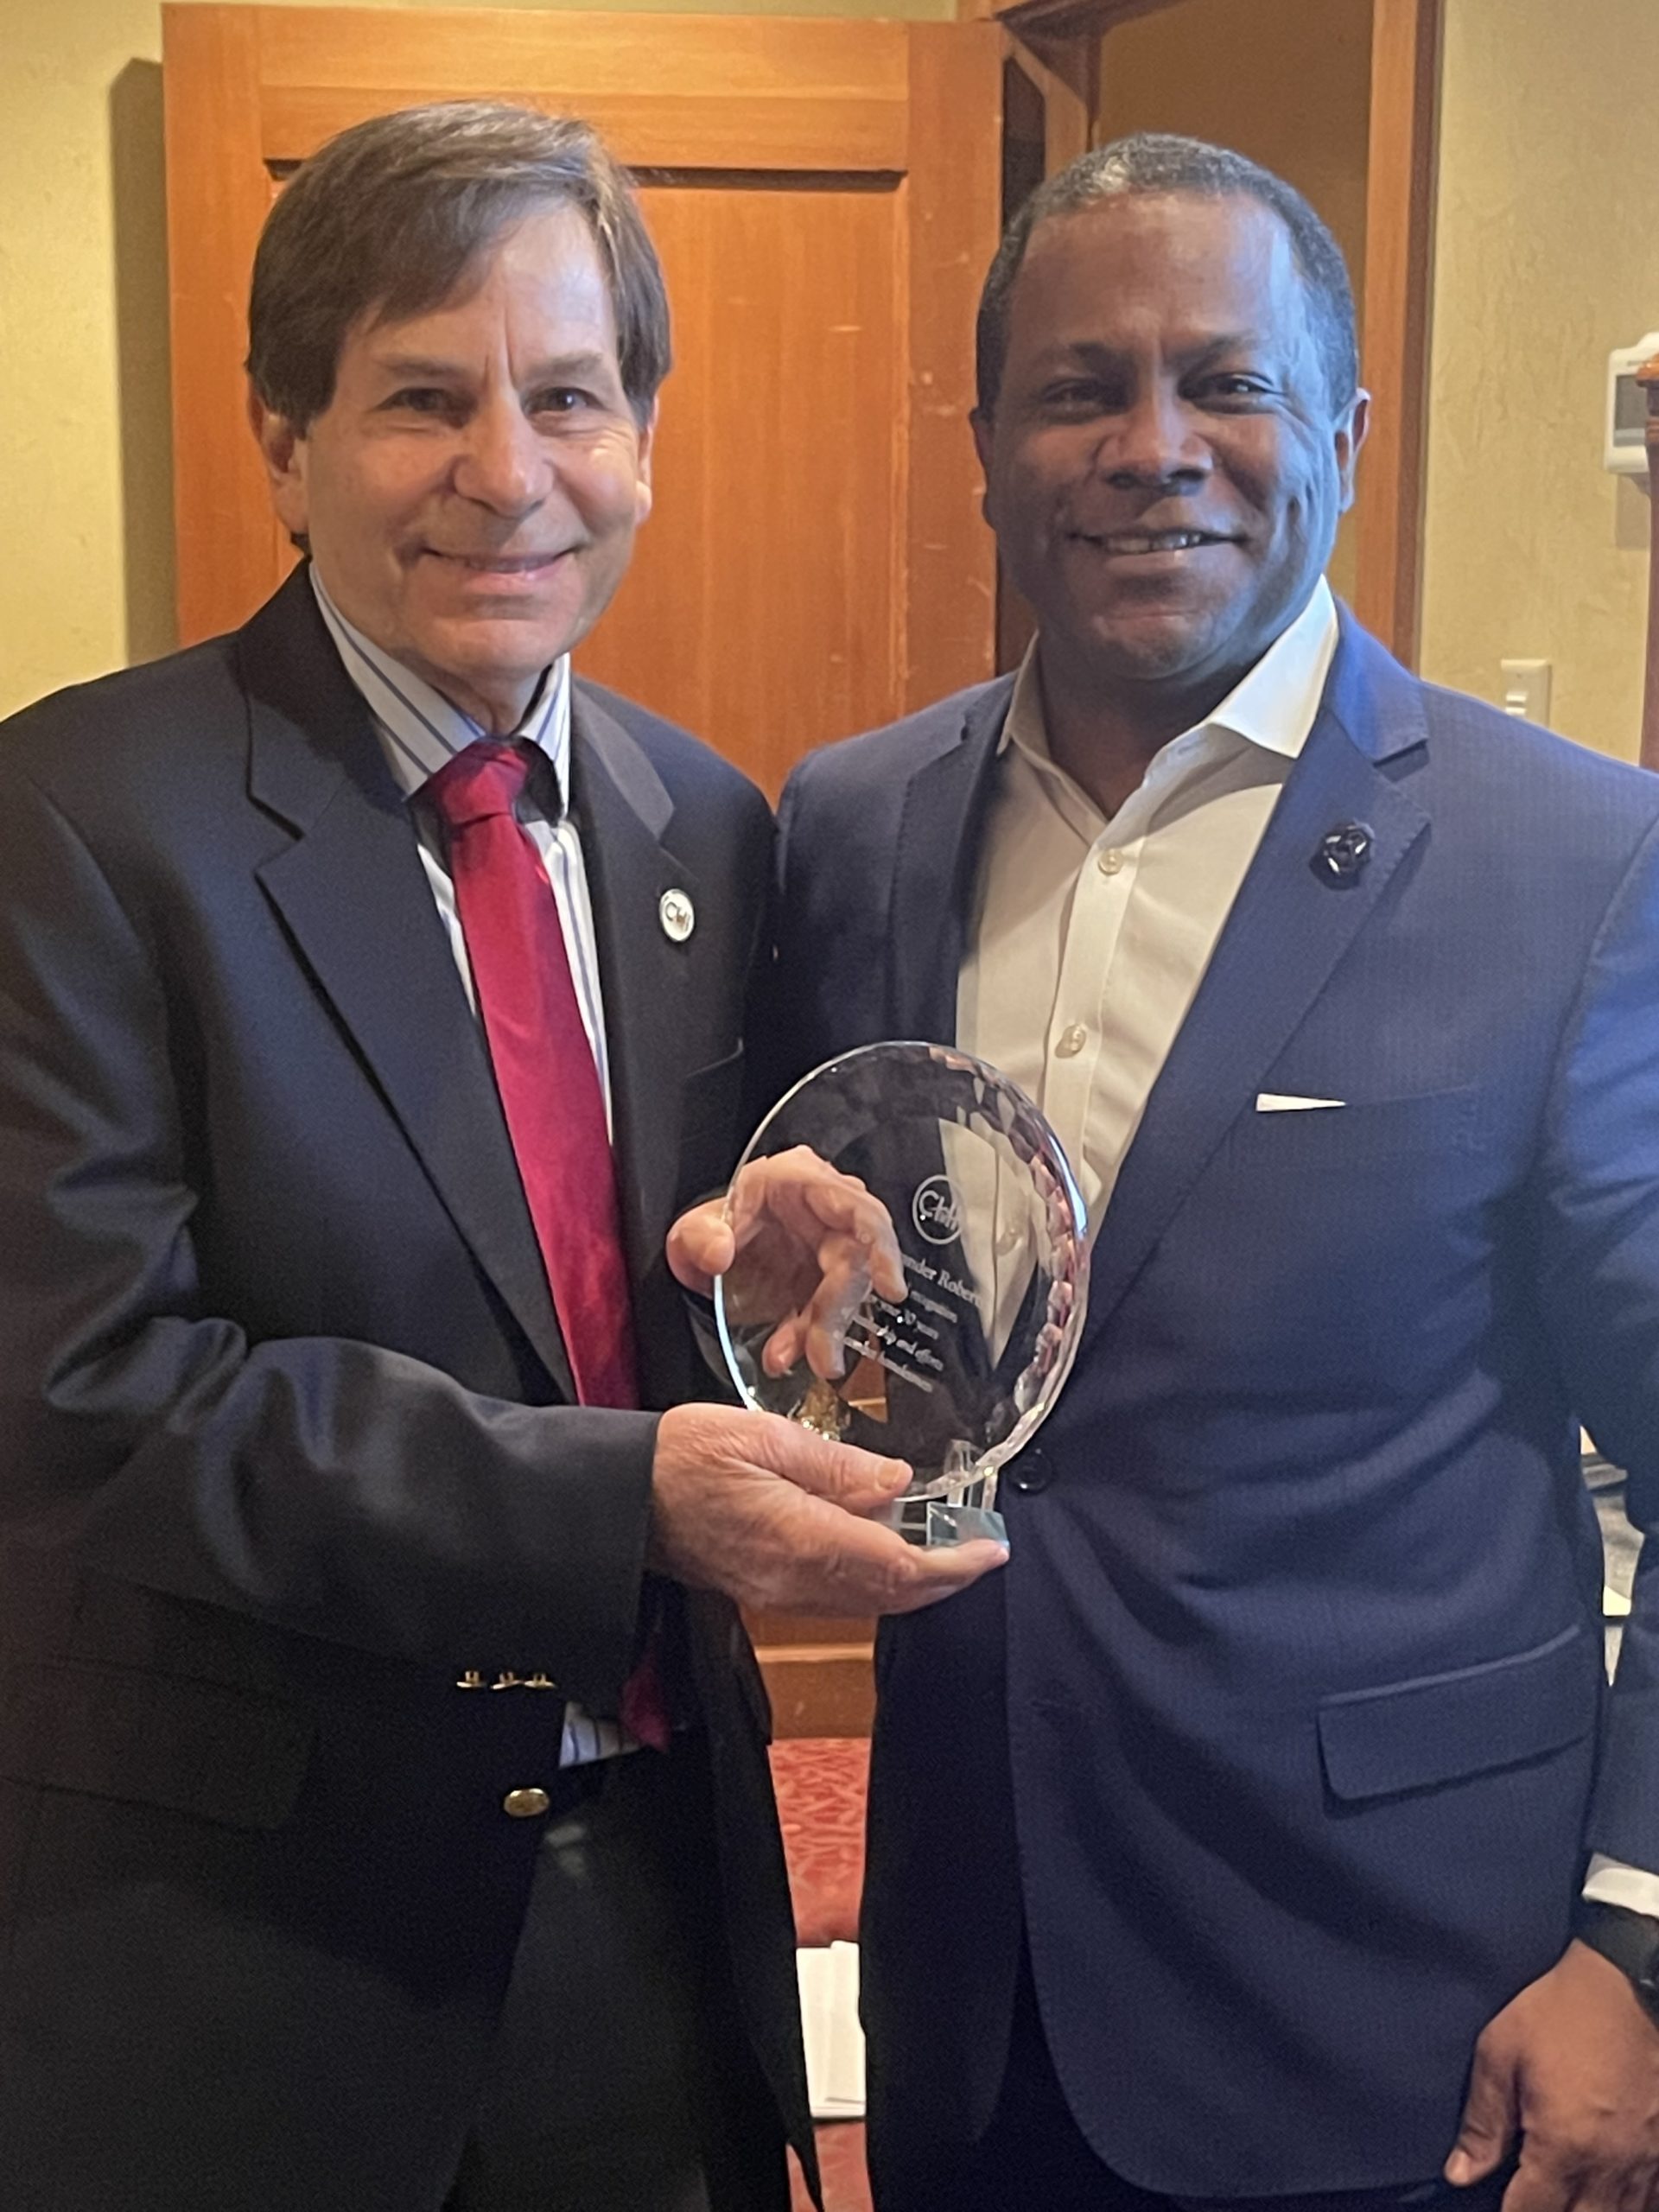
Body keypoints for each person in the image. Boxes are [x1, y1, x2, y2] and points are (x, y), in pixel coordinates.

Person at [0, 101, 1002, 2212]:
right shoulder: (77, 820)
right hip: (245, 1952)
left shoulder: (705, 823)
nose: (509, 470)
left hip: (658, 1915)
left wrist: (751, 1279)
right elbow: (83, 1397)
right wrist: (618, 1491)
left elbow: (619, 1298)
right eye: (422, 400)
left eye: (567, 396)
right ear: (284, 440)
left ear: (642, 435)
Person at [766, 134, 1659, 2212]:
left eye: (1227, 384)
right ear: (987, 449)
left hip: (1407, 2006)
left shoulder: (1576, 861)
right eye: (1080, 389)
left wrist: (1634, 1940)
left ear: (1343, 435)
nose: (1152, 447)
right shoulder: (852, 823)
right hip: (970, 1977)